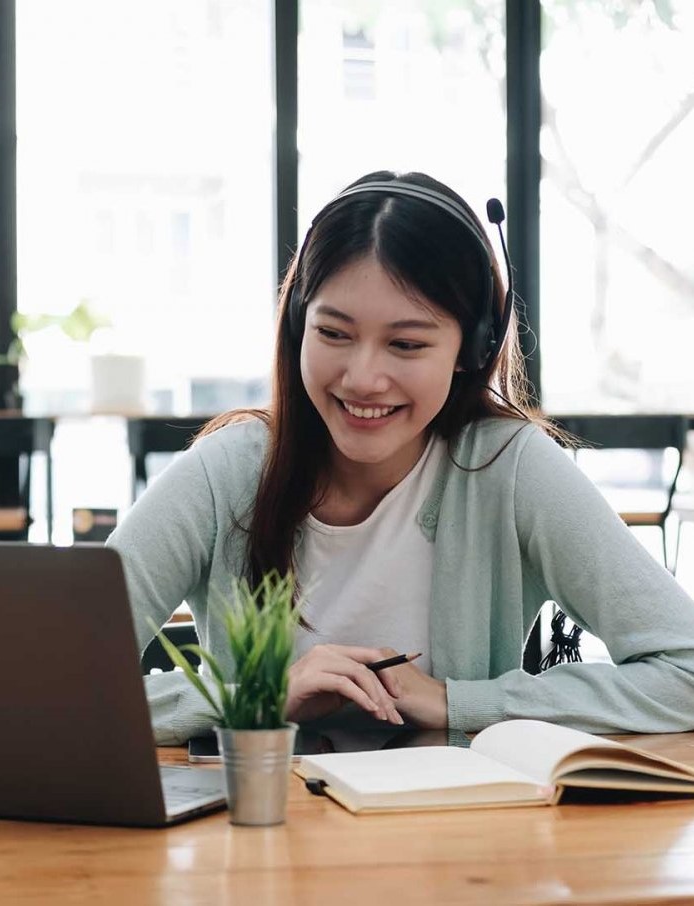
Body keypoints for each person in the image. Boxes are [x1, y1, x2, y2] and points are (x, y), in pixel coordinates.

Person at [107, 170, 694, 745]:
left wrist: (453, 702)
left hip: (455, 834)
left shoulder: (511, 470)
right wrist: (256, 701)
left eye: (407, 344)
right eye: (333, 333)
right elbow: (50, 686)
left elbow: (684, 668)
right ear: (296, 327)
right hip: (255, 834)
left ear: (473, 348)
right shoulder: (227, 472)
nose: (363, 378)